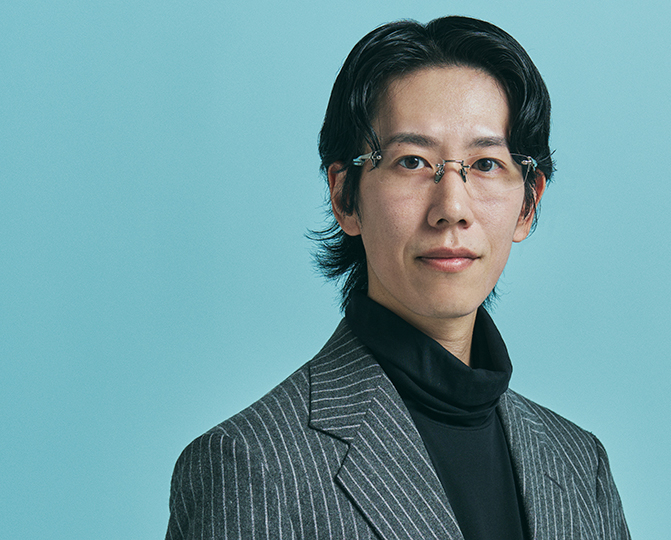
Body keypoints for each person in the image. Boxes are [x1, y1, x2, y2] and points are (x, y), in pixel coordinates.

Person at [166, 15, 629, 540]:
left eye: (485, 164)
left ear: (528, 203)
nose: (452, 209)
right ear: (345, 196)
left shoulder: (579, 463)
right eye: (412, 161)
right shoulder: (250, 466)